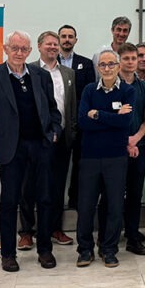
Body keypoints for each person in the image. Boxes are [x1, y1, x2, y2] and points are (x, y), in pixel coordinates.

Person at [0, 30, 63, 272]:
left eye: (24, 49)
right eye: (14, 48)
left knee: (45, 199)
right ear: (6, 49)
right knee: (9, 202)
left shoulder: (40, 75)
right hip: (10, 149)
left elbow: (53, 109)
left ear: (30, 51)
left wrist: (54, 131)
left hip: (41, 146)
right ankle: (8, 254)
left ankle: (45, 250)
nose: (19, 53)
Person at [75, 48, 134, 268]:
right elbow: (82, 122)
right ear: (98, 68)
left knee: (115, 206)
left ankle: (109, 249)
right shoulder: (90, 90)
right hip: (90, 157)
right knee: (86, 205)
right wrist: (113, 117)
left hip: (116, 157)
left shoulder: (128, 91)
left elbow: (125, 123)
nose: (107, 68)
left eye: (111, 64)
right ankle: (85, 250)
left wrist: (98, 114)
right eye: (103, 65)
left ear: (119, 66)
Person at [20, 31, 77, 250]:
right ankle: (26, 231)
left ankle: (55, 228)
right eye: (49, 44)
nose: (53, 47)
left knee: (57, 186)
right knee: (29, 186)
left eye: (56, 44)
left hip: (62, 138)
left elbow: (70, 105)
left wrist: (70, 132)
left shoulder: (68, 73)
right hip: (36, 139)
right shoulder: (30, 70)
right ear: (39, 46)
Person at [118, 43, 145, 255]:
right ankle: (108, 237)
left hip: (139, 147)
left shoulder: (144, 88)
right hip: (116, 149)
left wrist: (135, 139)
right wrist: (125, 142)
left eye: (135, 58)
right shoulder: (109, 85)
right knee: (111, 194)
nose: (132, 62)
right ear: (119, 60)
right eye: (127, 58)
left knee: (135, 194)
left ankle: (132, 236)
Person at [58, 24, 95, 210]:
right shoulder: (48, 63)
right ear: (58, 39)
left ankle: (75, 202)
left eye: (70, 36)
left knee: (80, 165)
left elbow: (90, 94)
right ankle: (56, 203)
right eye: (63, 36)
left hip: (80, 123)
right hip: (57, 124)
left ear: (75, 40)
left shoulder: (86, 63)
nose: (67, 39)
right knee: (57, 166)